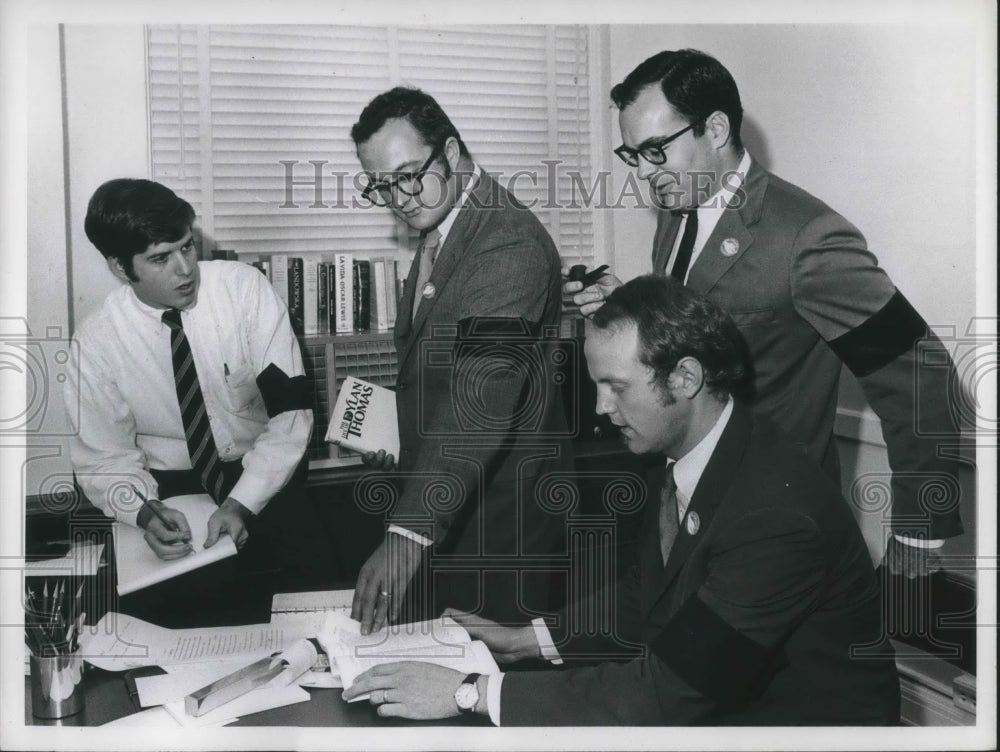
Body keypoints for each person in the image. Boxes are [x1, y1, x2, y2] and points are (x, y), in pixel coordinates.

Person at [343, 275, 902, 725]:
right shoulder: (697, 450)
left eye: (617, 387)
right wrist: (528, 640)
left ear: (684, 378)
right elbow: (649, 594)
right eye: (596, 386)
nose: (602, 409)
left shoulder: (775, 515)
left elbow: (671, 694)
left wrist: (470, 692)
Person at [565, 49, 963, 576]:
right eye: (633, 154)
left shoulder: (806, 238)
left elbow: (920, 372)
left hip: (777, 514)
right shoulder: (678, 213)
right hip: (688, 500)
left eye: (656, 150)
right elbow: (700, 335)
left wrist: (919, 529)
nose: (643, 172)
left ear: (716, 128)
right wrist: (628, 309)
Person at [348, 86, 572, 633]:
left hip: (500, 523)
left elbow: (479, 397)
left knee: (489, 685)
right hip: (454, 504)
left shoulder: (505, 243)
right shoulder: (443, 224)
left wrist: (405, 538)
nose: (397, 197)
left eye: (406, 175)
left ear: (450, 153)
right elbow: (434, 364)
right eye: (380, 185)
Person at [65, 178, 335, 619]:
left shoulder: (245, 290)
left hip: (268, 481)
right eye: (160, 258)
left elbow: (290, 415)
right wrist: (145, 513)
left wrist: (241, 502)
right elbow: (104, 460)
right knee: (170, 637)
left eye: (187, 247)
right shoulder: (95, 343)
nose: (185, 269)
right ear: (119, 267)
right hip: (170, 496)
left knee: (322, 618)